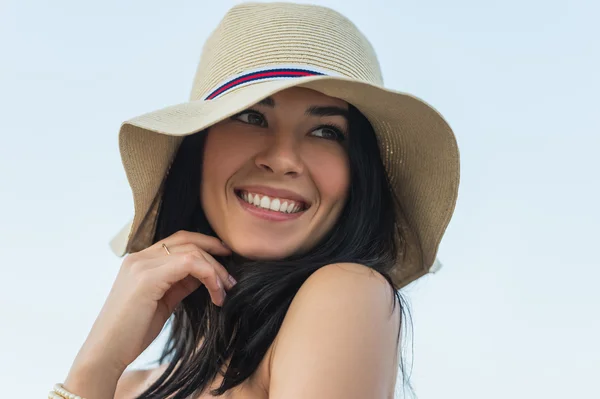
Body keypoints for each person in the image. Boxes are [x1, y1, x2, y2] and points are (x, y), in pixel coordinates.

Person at [50, 2, 459, 399]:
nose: (282, 160)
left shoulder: (347, 292)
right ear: (199, 146)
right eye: (251, 117)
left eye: (326, 132)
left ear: (358, 174)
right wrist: (96, 364)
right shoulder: (126, 386)